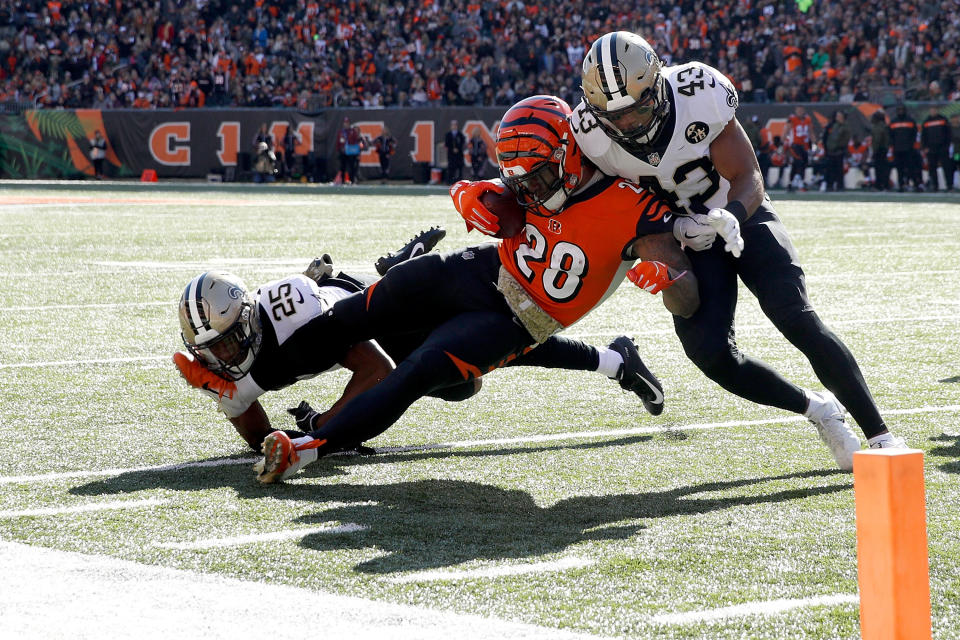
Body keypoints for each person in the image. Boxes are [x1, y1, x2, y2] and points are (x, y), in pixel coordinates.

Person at [254, 95, 714, 483]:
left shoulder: (629, 208)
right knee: (375, 300)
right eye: (520, 181)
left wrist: (669, 280)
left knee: (419, 369)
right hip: (483, 271)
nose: (528, 191)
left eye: (536, 178)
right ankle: (254, 374)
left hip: (516, 320)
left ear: (569, 155)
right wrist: (469, 193)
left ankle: (310, 449)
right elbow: (493, 187)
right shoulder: (532, 171)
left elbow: (688, 297)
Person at [565, 31, 904, 469]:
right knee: (710, 353)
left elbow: (749, 174)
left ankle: (881, 436)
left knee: (793, 314)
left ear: (658, 84)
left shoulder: (696, 90)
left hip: (739, 215)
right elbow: (606, 207)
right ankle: (817, 409)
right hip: (684, 237)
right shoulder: (588, 133)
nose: (629, 124)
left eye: (639, 108)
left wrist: (732, 215)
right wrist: (658, 241)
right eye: (617, 117)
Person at [175, 224, 667, 454]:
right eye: (212, 350)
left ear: (248, 321)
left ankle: (616, 360)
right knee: (490, 356)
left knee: (468, 378)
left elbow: (375, 369)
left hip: (385, 320)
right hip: (360, 313)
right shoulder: (242, 352)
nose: (223, 357)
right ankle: (616, 362)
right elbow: (253, 422)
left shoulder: (294, 329)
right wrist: (250, 420)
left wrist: (320, 430)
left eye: (227, 342)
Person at [890, 104, 921, 192]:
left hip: (909, 149)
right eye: (899, 110)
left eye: (902, 110)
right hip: (897, 149)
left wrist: (911, 145)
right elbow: (891, 135)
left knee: (911, 168)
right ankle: (901, 185)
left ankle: (915, 184)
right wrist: (894, 145)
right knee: (899, 169)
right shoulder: (893, 122)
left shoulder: (910, 121)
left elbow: (914, 134)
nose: (900, 111)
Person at [921, 106, 951, 192]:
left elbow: (948, 134)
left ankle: (949, 185)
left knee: (947, 167)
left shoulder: (943, 120)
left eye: (934, 110)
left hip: (943, 148)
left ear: (937, 111)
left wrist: (947, 146)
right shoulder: (926, 122)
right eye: (931, 110)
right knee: (932, 168)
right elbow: (924, 136)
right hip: (931, 149)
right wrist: (925, 147)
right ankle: (935, 186)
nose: (933, 112)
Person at [785, 105, 812, 191]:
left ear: (804, 111)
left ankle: (792, 183)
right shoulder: (792, 119)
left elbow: (810, 132)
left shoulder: (807, 119)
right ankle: (798, 183)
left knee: (802, 163)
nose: (800, 112)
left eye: (801, 110)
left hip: (804, 146)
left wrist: (815, 142)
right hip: (795, 145)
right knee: (799, 162)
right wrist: (782, 142)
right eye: (798, 110)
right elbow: (786, 131)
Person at [823, 110, 850, 192]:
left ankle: (840, 186)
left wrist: (841, 147)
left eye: (839, 116)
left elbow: (845, 138)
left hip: (839, 150)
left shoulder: (845, 126)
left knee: (839, 170)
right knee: (830, 169)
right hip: (830, 150)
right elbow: (827, 137)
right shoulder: (832, 126)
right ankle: (829, 185)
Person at [869, 110, 891, 191]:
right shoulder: (884, 126)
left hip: (879, 150)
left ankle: (879, 185)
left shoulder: (877, 127)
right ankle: (885, 185)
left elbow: (877, 140)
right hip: (883, 149)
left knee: (879, 169)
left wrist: (874, 151)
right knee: (884, 168)